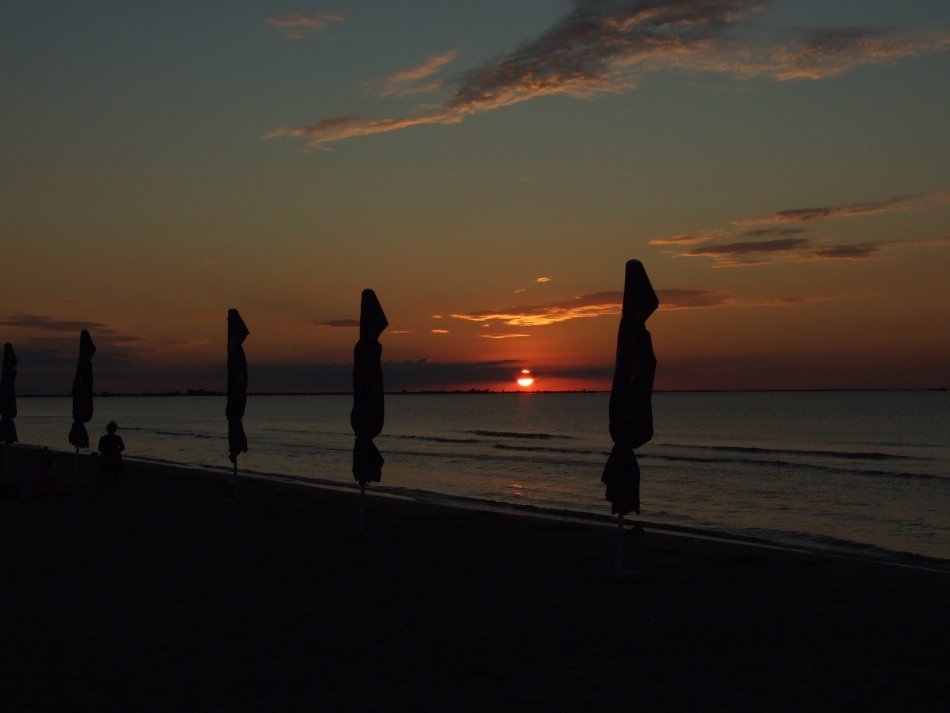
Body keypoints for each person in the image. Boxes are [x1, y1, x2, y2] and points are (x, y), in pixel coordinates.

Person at [98, 421, 125, 488]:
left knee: (105, 473)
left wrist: (105, 451)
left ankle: (102, 487)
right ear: (115, 430)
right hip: (116, 457)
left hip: (107, 457)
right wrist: (116, 451)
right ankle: (116, 488)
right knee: (117, 474)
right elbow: (122, 448)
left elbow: (99, 448)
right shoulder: (118, 438)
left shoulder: (103, 438)